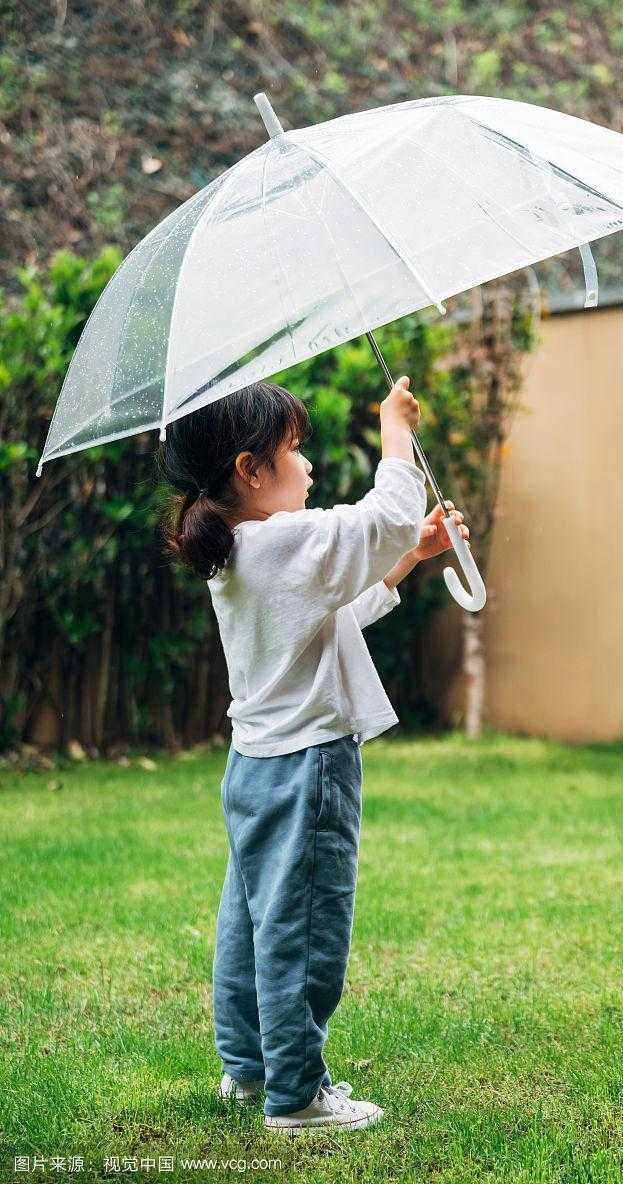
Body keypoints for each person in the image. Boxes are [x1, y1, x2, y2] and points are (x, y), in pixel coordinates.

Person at [156, 376, 469, 1134]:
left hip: (256, 768)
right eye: (295, 451)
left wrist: (413, 554)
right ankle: (296, 1093)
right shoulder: (280, 540)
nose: (310, 467)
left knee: (255, 922)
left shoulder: (241, 550)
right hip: (308, 771)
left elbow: (333, 607)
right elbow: (384, 515)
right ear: (250, 470)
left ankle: (250, 1066)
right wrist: (396, 428)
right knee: (303, 928)